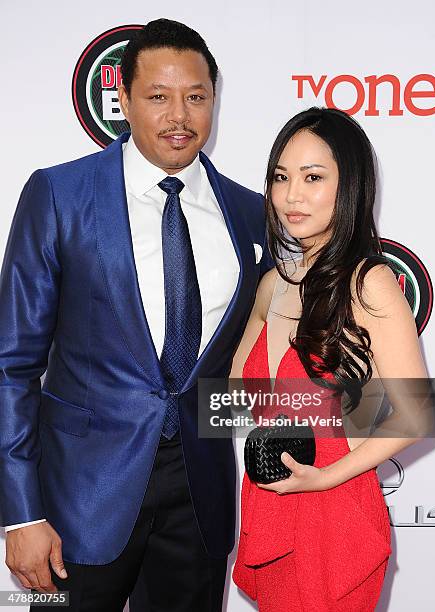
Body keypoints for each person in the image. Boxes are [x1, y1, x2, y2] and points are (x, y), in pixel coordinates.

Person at [0, 18, 272, 612]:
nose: (180, 115)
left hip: (199, 501)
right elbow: (12, 365)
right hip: (78, 502)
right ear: (122, 99)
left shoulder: (251, 215)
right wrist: (21, 513)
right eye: (158, 96)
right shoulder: (59, 195)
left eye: (196, 97)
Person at [230, 107, 429, 611]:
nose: (291, 195)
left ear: (350, 186)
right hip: (271, 506)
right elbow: (240, 392)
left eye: (313, 177)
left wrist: (325, 474)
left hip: (335, 517)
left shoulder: (370, 284)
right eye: (281, 177)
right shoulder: (273, 283)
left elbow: (416, 415)